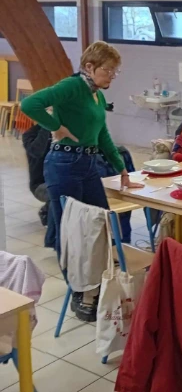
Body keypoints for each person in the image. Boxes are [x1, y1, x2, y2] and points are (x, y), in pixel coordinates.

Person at [21, 41, 144, 320]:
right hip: (64, 164)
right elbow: (30, 104)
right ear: (89, 66)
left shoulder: (95, 95)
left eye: (115, 71)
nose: (112, 76)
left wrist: (122, 170)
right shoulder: (72, 85)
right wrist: (56, 127)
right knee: (71, 231)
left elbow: (102, 135)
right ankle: (78, 292)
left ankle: (98, 282)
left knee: (100, 225)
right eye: (108, 70)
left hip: (88, 164)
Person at [22, 123, 52, 230]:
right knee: (58, 192)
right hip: (40, 185)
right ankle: (46, 212)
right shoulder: (30, 134)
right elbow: (37, 152)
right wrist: (47, 126)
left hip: (63, 179)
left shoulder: (67, 131)